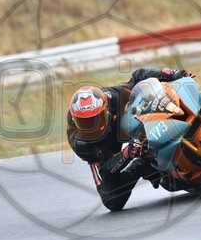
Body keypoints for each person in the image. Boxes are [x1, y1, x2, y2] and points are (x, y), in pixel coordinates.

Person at [66, 67, 194, 211]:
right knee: (112, 201)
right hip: (106, 147)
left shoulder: (113, 97)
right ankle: (142, 166)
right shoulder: (80, 143)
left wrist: (167, 73)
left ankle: (171, 134)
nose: (92, 126)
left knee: (150, 101)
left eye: (96, 119)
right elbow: (107, 167)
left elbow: (137, 78)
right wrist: (129, 152)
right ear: (75, 119)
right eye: (84, 123)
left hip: (126, 124)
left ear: (105, 110)